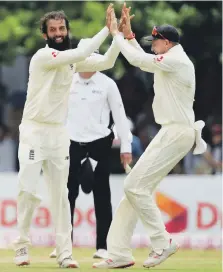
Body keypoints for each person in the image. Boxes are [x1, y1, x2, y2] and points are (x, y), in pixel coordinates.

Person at [93, 6, 207, 269]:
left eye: (154, 42)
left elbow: (138, 61)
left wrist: (115, 35)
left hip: (178, 131)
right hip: (172, 131)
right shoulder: (169, 59)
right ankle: (119, 254)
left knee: (135, 187)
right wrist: (129, 35)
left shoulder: (176, 61)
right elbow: (142, 56)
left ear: (166, 43)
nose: (152, 46)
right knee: (133, 189)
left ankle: (162, 242)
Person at [13, 5, 122, 268]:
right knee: (27, 189)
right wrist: (107, 28)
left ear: (67, 30)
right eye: (53, 30)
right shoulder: (43, 56)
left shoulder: (73, 60)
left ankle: (64, 253)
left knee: (61, 194)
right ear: (45, 35)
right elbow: (84, 51)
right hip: (34, 130)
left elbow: (106, 61)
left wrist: (119, 36)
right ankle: (21, 246)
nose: (59, 33)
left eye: (62, 29)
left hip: (58, 133)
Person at [49, 45, 132, 259]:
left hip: (99, 144)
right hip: (71, 143)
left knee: (102, 195)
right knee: (67, 195)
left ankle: (104, 247)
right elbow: (57, 114)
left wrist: (126, 147)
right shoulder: (67, 81)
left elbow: (120, 117)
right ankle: (64, 245)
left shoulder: (107, 84)